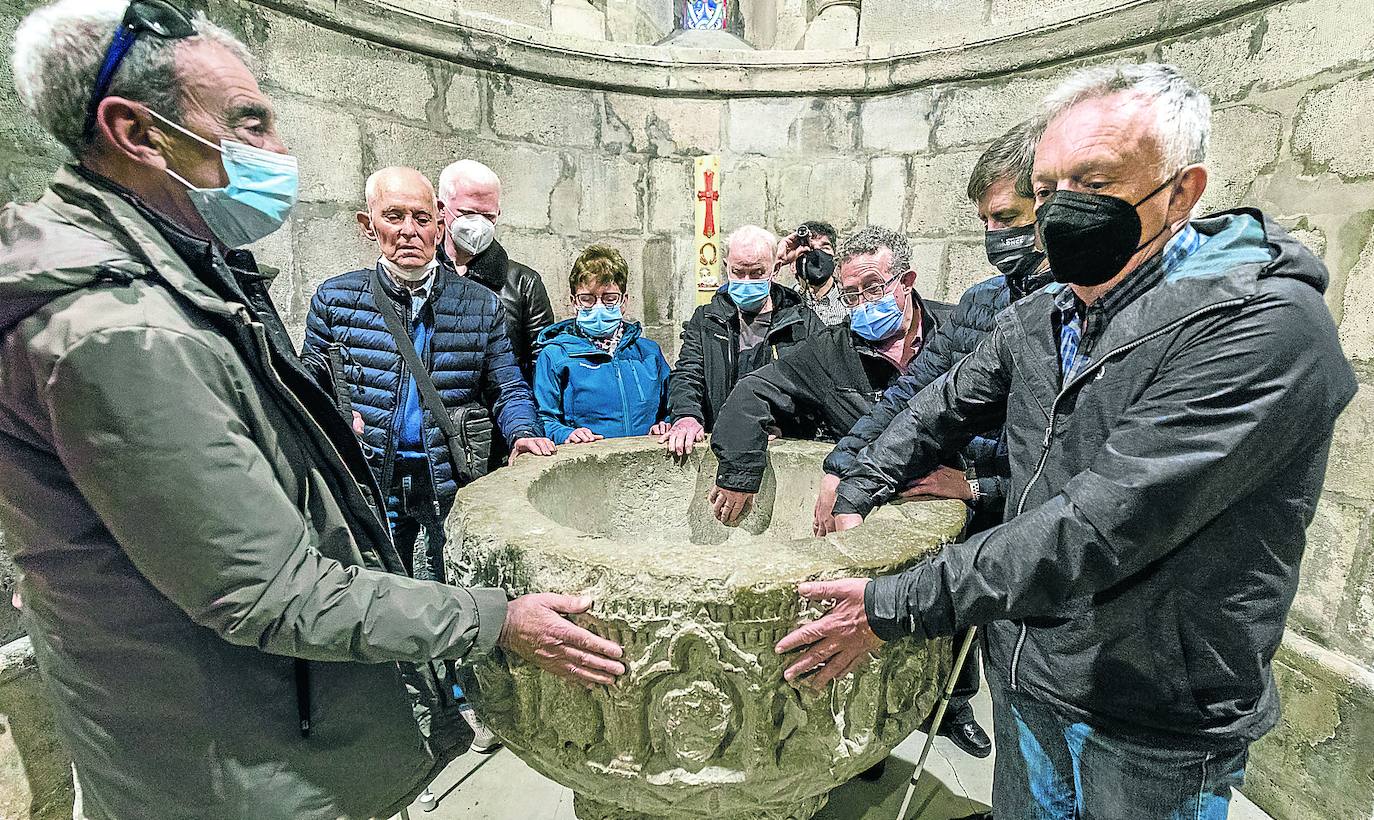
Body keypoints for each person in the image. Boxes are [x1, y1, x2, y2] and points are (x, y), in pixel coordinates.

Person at [0, 4, 623, 818]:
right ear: (138, 133)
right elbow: (267, 590)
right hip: (225, 750)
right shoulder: (122, 331)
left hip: (256, 711)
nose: (279, 152)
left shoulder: (186, 281)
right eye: (249, 123)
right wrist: (495, 619)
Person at [775, 63, 1357, 820]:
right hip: (1031, 664)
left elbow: (1097, 526)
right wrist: (855, 491)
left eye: (1096, 181)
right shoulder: (1046, 312)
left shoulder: (1262, 330)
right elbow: (935, 406)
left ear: (1181, 190)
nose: (1060, 210)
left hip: (1151, 710)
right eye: (1047, 190)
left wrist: (890, 604)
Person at [810, 120, 1051, 760]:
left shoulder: (1094, 310)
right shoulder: (983, 304)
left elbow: (1070, 463)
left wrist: (977, 485)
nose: (998, 238)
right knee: (958, 627)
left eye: (1010, 218)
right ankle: (917, 710)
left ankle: (953, 709)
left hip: (1028, 517)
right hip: (961, 496)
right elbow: (919, 398)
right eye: (987, 223)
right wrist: (846, 468)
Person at [304, 166, 554, 585]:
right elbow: (311, 380)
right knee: (381, 588)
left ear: (440, 225)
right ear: (369, 225)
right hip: (372, 471)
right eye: (393, 216)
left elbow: (506, 385)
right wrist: (332, 419)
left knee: (458, 587)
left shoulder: (479, 304)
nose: (408, 231)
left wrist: (524, 432)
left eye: (421, 218)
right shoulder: (337, 298)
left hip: (451, 475)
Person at [707, 226, 946, 526]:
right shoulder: (830, 351)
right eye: (850, 295)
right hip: (872, 513)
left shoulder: (953, 332)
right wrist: (738, 474)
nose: (864, 304)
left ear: (907, 282)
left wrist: (977, 484)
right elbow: (753, 391)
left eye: (874, 288)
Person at [661, 224, 823, 456]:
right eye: (738, 272)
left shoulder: (801, 323)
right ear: (726, 267)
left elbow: (814, 387)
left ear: (775, 269)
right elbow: (688, 374)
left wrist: (785, 422)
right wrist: (686, 415)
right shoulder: (706, 319)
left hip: (778, 448)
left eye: (757, 272)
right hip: (717, 442)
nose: (747, 281)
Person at [533, 244, 672, 444]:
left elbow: (673, 406)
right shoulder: (555, 355)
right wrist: (566, 434)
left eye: (609, 298)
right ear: (574, 302)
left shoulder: (649, 353)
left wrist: (666, 423)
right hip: (588, 465)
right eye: (587, 299)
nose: (599, 306)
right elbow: (542, 418)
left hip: (647, 464)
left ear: (624, 301)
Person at [438, 159, 554, 384]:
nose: (478, 225)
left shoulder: (523, 284)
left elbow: (543, 366)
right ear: (441, 209)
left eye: (488, 216)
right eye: (467, 213)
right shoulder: (423, 275)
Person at [777, 220, 846, 326]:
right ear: (793, 265)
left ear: (835, 260)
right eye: (810, 250)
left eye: (825, 248)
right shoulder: (783, 302)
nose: (817, 254)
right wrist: (778, 259)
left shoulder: (850, 302)